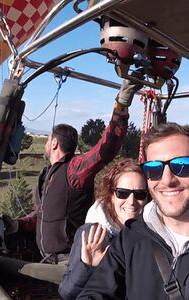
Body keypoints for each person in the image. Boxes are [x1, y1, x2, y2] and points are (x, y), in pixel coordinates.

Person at [18, 75, 143, 261]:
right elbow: (44, 214)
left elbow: (106, 148)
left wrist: (121, 105)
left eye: (47, 141)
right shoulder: (48, 174)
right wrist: (18, 224)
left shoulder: (73, 169)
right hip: (47, 258)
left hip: (69, 259)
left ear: (53, 143)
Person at [76, 122, 189, 300]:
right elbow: (96, 293)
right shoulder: (129, 239)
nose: (167, 180)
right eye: (154, 168)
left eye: (182, 165)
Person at [58, 158, 149, 299]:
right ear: (111, 195)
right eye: (122, 193)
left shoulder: (149, 235)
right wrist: (87, 266)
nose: (131, 201)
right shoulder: (92, 234)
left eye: (140, 194)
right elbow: (67, 292)